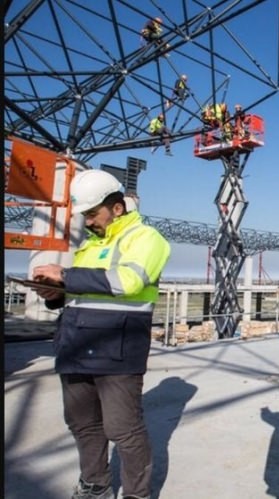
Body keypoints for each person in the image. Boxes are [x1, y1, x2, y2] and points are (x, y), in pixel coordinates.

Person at [31, 169, 171, 499]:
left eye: (92, 214)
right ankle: (95, 485)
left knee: (123, 429)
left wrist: (66, 275)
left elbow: (128, 282)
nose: (88, 221)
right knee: (82, 424)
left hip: (117, 351)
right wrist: (56, 294)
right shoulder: (90, 246)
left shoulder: (146, 238)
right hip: (76, 348)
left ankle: (136, 494)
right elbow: (85, 291)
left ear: (117, 208)